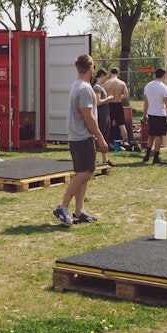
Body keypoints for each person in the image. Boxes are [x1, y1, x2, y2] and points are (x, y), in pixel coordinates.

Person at [53, 54, 107, 227]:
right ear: (90, 67)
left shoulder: (77, 85)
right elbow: (88, 116)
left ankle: (79, 212)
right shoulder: (84, 88)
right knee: (87, 173)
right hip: (82, 136)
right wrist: (100, 137)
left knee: (83, 173)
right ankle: (62, 207)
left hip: (77, 136)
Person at [142, 68, 167, 164]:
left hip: (151, 113)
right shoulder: (164, 87)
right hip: (160, 114)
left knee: (151, 135)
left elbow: (146, 101)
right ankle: (156, 157)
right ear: (163, 75)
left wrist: (145, 114)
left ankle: (147, 155)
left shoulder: (148, 86)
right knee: (159, 136)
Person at [104, 66, 130, 145]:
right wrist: (119, 96)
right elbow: (126, 96)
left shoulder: (106, 83)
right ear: (117, 73)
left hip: (109, 104)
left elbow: (104, 95)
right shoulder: (122, 83)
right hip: (118, 104)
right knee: (121, 124)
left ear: (110, 73)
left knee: (108, 124)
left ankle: (107, 142)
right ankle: (125, 142)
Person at [93, 68, 113, 147]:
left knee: (106, 131)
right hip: (101, 113)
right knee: (102, 131)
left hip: (105, 113)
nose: (107, 79)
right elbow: (97, 102)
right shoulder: (97, 87)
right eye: (106, 77)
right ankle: (98, 147)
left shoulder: (100, 87)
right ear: (102, 76)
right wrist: (108, 98)